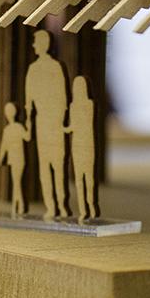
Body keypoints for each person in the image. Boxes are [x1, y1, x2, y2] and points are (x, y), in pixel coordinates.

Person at [23, 30, 71, 218]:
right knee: (50, 167)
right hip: (45, 122)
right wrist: (29, 124)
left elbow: (62, 98)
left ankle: (59, 206)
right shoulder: (34, 69)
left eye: (36, 42)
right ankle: (53, 206)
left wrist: (59, 119)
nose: (34, 46)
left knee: (55, 166)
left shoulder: (53, 68)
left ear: (44, 44)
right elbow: (29, 103)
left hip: (51, 122)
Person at [69, 76, 99, 220]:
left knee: (88, 178)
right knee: (80, 179)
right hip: (77, 143)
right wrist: (64, 128)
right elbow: (73, 126)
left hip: (86, 143)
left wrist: (69, 128)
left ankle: (91, 206)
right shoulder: (73, 105)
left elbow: (83, 123)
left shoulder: (88, 104)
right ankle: (83, 210)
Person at [0, 101, 31, 216]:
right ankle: (18, 207)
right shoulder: (8, 129)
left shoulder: (18, 127)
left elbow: (27, 137)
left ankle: (18, 207)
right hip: (13, 159)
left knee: (16, 182)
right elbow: (4, 145)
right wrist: (1, 157)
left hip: (20, 159)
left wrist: (29, 124)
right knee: (16, 182)